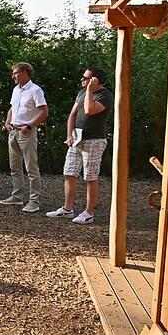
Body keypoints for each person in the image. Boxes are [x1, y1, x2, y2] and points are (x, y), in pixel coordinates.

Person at [46, 67, 114, 224]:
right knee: (69, 173)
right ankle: (67, 209)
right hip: (77, 139)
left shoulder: (105, 95)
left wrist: (90, 90)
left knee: (90, 177)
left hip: (94, 140)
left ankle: (88, 213)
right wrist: (69, 135)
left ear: (95, 80)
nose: (82, 80)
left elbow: (90, 110)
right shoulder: (81, 93)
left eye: (86, 78)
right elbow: (73, 115)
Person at [0, 62, 49, 213]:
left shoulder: (35, 90)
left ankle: (34, 201)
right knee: (14, 166)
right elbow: (12, 108)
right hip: (13, 131)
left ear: (24, 72)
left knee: (31, 167)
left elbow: (44, 111)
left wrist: (29, 126)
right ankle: (17, 196)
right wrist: (7, 122)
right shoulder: (16, 90)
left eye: (15, 73)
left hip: (26, 132)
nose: (12, 76)